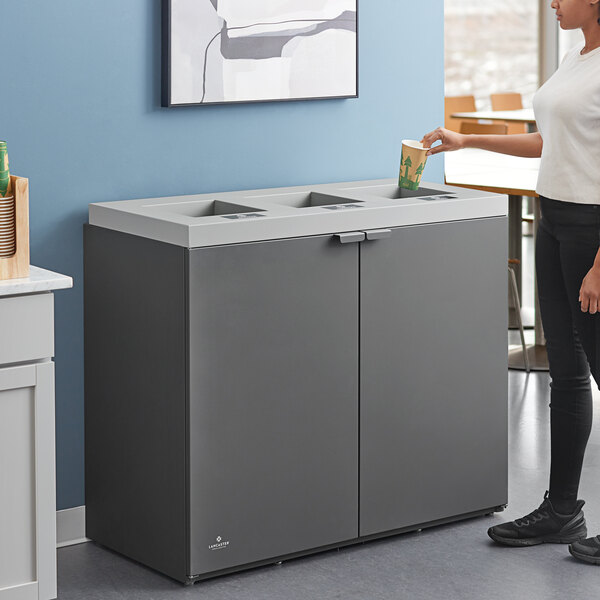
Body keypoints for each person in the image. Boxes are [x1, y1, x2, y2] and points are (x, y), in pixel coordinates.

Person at [420, 0, 600, 565]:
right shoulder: (576, 56)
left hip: (593, 233)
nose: (552, 2)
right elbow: (549, 143)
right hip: (554, 220)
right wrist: (467, 140)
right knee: (566, 376)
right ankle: (561, 510)